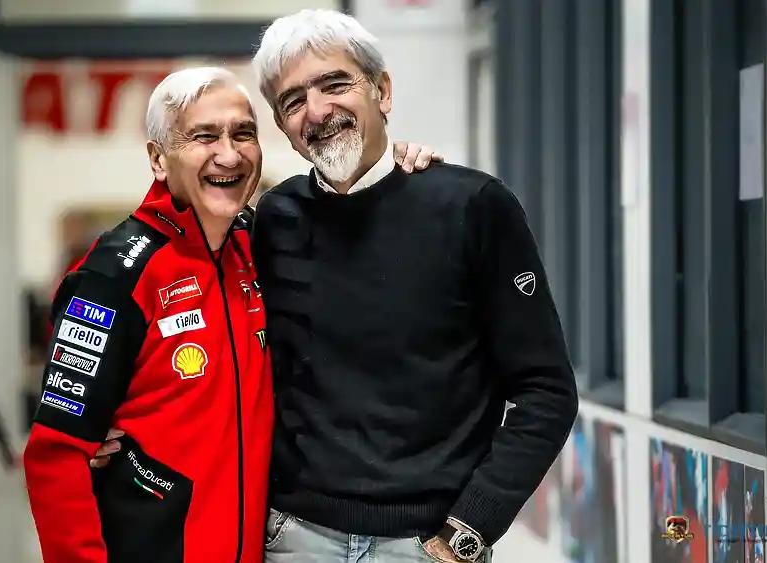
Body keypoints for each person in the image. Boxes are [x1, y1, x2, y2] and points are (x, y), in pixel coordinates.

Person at [24, 66, 438, 563]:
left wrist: (395, 168)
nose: (229, 154)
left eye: (243, 133)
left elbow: (350, 220)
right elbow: (56, 456)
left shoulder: (260, 245)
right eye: (204, 136)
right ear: (158, 158)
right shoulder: (116, 274)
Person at [248, 10, 579, 562]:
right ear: (284, 126)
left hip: (427, 545)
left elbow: (546, 390)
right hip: (294, 541)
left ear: (382, 91)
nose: (318, 110)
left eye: (335, 84)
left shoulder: (474, 207)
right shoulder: (274, 220)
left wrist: (470, 528)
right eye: (293, 101)